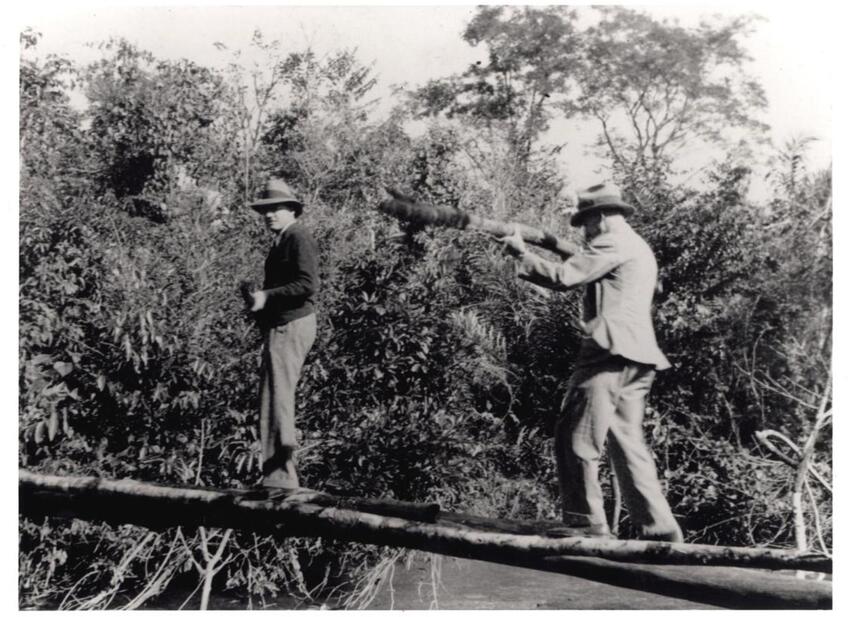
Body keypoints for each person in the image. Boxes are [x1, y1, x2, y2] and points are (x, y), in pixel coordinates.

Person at [501, 182, 683, 542]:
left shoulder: (611, 242)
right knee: (627, 442)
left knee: (576, 436)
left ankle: (585, 523)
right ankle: (660, 531)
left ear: (599, 217)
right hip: (640, 357)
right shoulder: (639, 247)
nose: (584, 232)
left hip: (608, 352)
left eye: (585, 223)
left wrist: (520, 254)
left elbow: (562, 277)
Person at [245, 178, 319, 489]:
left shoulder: (298, 237)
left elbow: (307, 284)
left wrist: (267, 297)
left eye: (276, 209)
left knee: (278, 399)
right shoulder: (285, 239)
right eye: (265, 210)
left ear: (292, 210)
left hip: (291, 325)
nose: (269, 215)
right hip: (283, 324)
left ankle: (281, 478)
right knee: (272, 397)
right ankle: (276, 476)